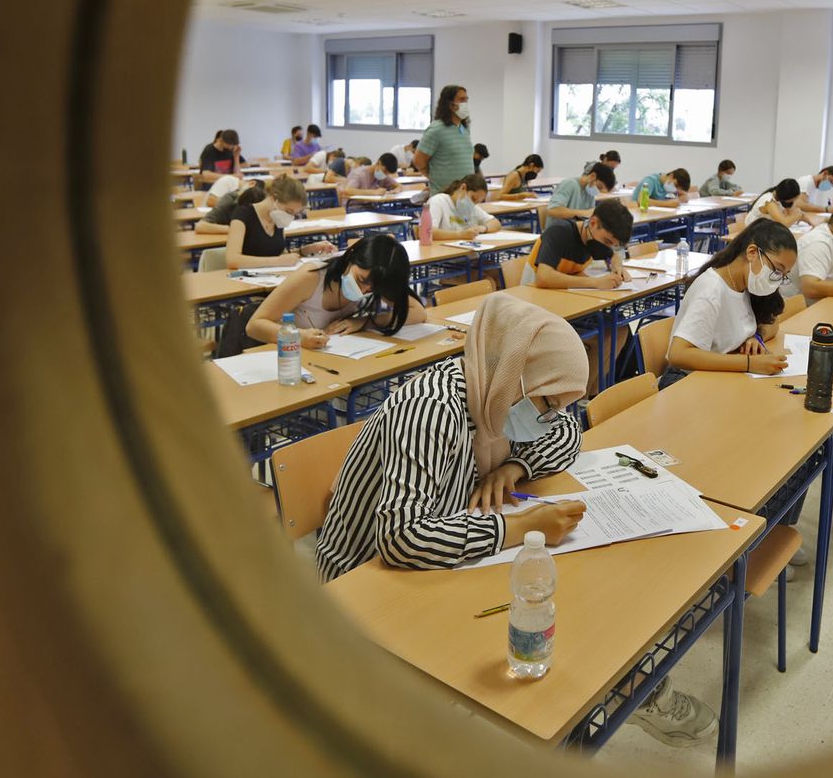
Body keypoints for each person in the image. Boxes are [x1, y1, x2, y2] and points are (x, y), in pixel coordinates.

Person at [313, 295, 587, 581]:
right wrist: (520, 527)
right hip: (362, 576)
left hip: (435, 556)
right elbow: (401, 538)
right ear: (512, 371)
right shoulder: (431, 410)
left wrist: (515, 467)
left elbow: (568, 432)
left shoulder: (495, 396)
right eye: (549, 402)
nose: (551, 417)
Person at [217, 234, 428, 359]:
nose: (364, 291)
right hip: (282, 356)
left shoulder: (375, 278)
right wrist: (299, 337)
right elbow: (255, 325)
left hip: (322, 360)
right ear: (351, 258)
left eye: (372, 289)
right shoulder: (311, 277)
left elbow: (418, 312)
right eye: (361, 280)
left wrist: (362, 322)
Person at [663, 219, 798, 386]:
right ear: (752, 253)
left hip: (718, 374)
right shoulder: (711, 290)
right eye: (777, 270)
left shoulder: (749, 283)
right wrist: (749, 364)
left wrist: (756, 337)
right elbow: (678, 354)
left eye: (783, 274)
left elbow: (773, 323)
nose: (777, 279)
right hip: (687, 380)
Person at [224, 175, 337, 270]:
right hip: (246, 282)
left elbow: (281, 255)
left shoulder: (277, 219)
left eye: (295, 213)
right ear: (274, 198)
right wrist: (278, 261)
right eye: (289, 211)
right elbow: (232, 260)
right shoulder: (243, 215)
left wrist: (310, 249)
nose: (290, 217)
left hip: (272, 277)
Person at [521, 200, 632, 288]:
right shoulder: (559, 232)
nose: (608, 247)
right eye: (607, 242)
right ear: (593, 223)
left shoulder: (595, 236)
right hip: (534, 296)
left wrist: (618, 268)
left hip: (563, 294)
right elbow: (543, 278)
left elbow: (613, 256)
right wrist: (594, 282)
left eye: (613, 245)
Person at [414, 84, 474, 192]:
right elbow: (419, 161)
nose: (465, 104)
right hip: (443, 195)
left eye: (466, 100)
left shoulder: (464, 129)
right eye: (461, 100)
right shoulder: (436, 130)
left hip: (464, 195)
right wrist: (435, 177)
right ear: (450, 104)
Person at [427, 174, 500, 240]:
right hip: (443, 251)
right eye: (473, 198)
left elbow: (495, 223)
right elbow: (428, 232)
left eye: (477, 202)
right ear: (463, 188)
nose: (473, 204)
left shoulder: (473, 208)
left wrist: (483, 228)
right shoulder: (438, 201)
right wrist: (460, 235)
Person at [547, 162, 616, 221]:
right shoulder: (569, 184)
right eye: (599, 187)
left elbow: (589, 215)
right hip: (558, 232)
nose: (597, 191)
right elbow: (552, 210)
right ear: (592, 176)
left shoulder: (589, 192)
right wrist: (584, 213)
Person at [194, 180, 265, 236]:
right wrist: (236, 229)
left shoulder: (264, 202)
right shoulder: (230, 200)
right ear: (251, 184)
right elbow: (200, 226)